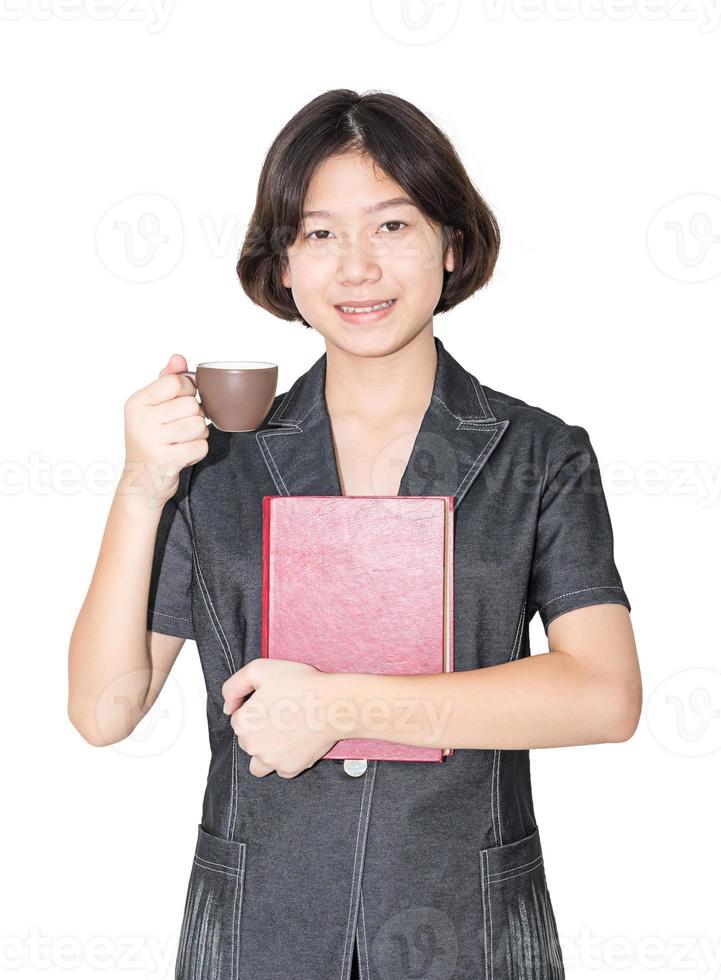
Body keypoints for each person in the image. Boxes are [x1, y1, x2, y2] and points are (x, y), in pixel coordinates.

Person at [68, 89, 641, 980]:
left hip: (467, 926)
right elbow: (104, 712)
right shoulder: (219, 460)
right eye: (319, 233)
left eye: (392, 227)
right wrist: (142, 486)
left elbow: (603, 696)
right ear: (284, 266)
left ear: (451, 244)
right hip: (260, 929)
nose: (357, 268)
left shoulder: (540, 454)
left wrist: (338, 705)